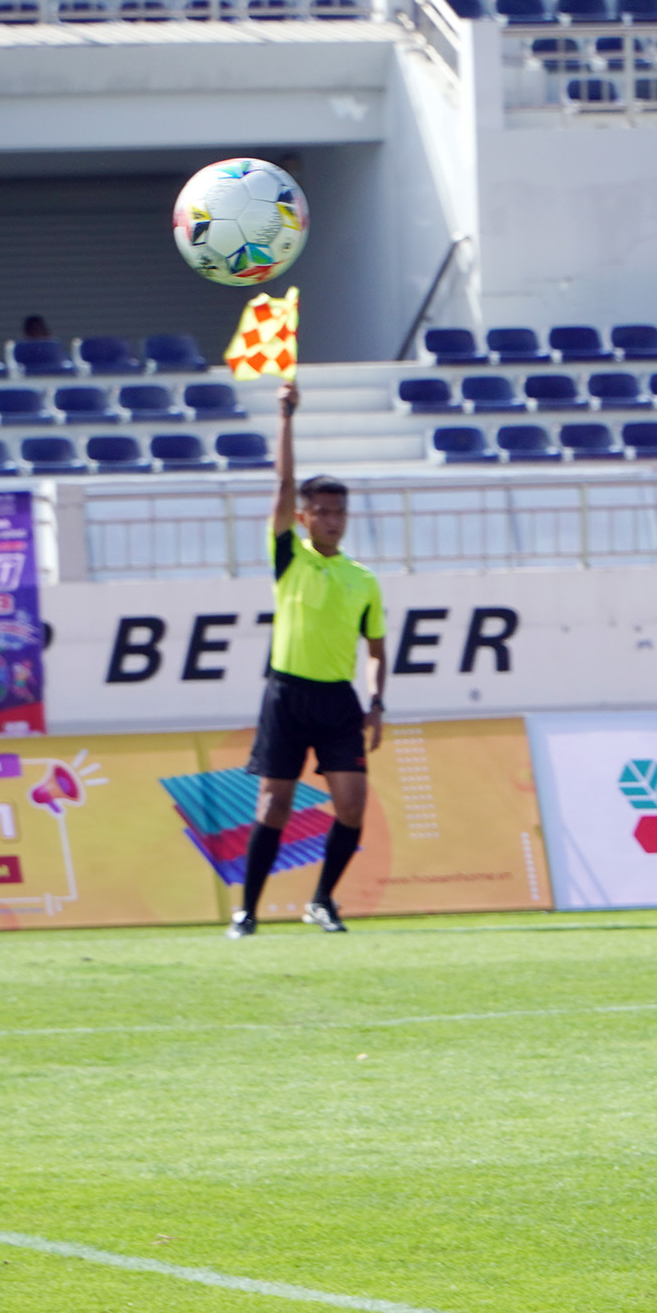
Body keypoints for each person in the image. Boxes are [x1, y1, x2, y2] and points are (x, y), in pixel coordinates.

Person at [230, 376, 388, 938]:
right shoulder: (288, 559)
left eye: (338, 512)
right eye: (320, 511)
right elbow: (283, 481)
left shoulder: (362, 578)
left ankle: (322, 900)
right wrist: (287, 416)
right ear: (303, 518)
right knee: (273, 806)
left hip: (338, 700)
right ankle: (246, 910)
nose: (331, 519)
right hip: (286, 694)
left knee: (352, 805)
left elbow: (375, 647)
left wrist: (377, 703)